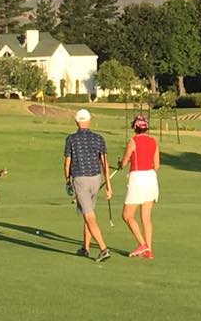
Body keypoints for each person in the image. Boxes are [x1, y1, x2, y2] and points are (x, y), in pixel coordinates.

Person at [63, 108, 112, 262]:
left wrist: (67, 180)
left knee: (89, 216)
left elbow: (67, 163)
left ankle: (103, 249)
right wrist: (109, 186)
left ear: (77, 122)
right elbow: (105, 163)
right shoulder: (99, 138)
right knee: (88, 212)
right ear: (89, 121)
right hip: (96, 179)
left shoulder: (71, 139)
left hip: (80, 179)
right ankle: (85, 248)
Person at [119, 114, 159, 259]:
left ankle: (143, 244)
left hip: (138, 178)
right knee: (146, 218)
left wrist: (120, 163)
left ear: (135, 127)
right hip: (151, 178)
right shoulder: (154, 141)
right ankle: (149, 251)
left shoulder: (133, 141)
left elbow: (124, 162)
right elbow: (157, 165)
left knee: (127, 215)